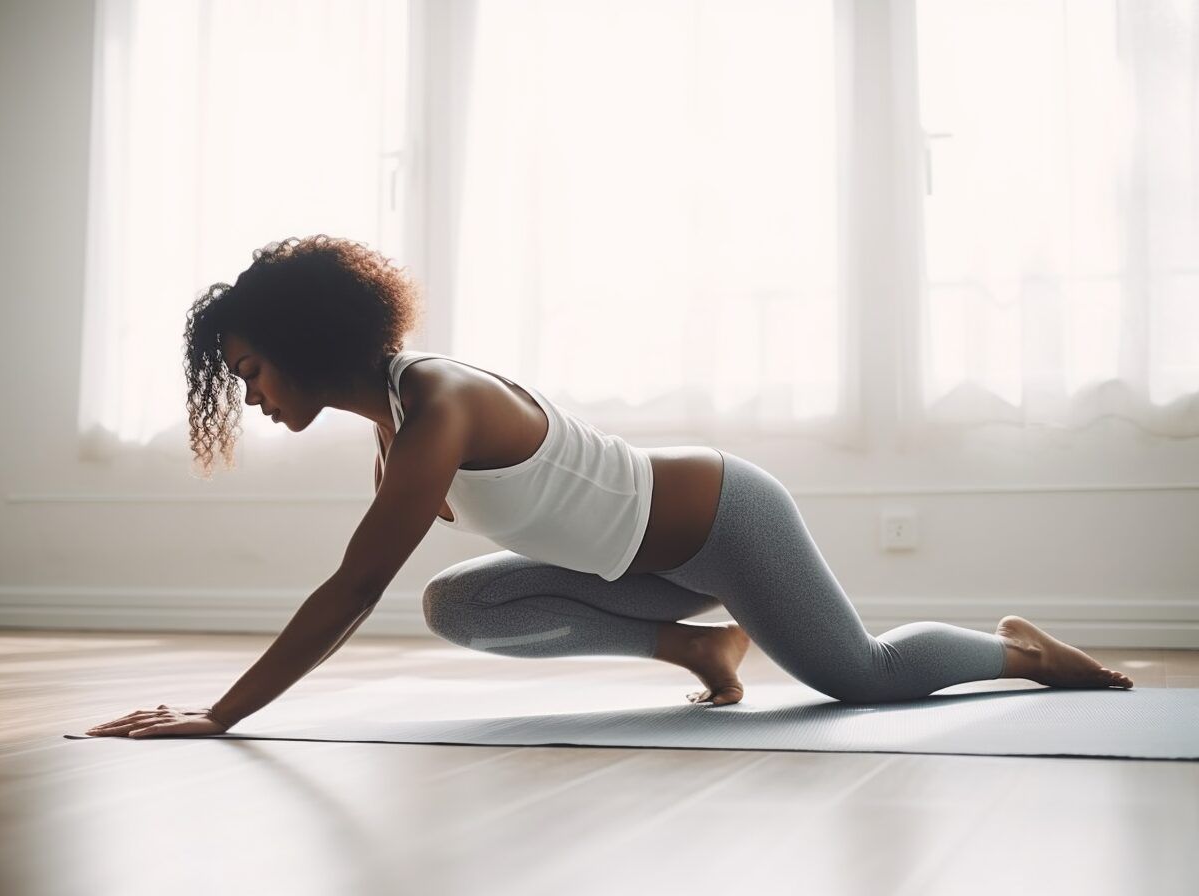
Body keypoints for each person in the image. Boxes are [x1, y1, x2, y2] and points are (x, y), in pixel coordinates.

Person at [84, 235, 1133, 739]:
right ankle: (699, 642)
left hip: (726, 521)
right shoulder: (395, 424)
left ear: (307, 344)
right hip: (646, 569)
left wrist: (219, 715)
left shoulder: (437, 405)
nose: (252, 394)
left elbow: (354, 586)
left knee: (856, 676)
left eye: (253, 367)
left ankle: (1018, 651)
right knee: (461, 601)